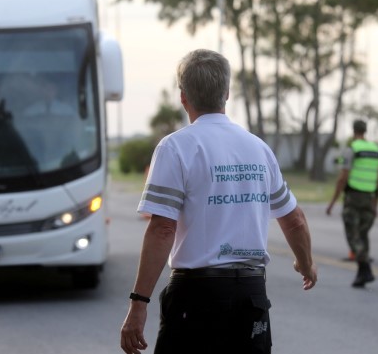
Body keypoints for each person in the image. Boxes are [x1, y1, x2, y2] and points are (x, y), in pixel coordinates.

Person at [120, 49, 317, 354]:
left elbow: (162, 230)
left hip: (195, 296)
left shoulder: (175, 148)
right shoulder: (259, 149)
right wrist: (305, 265)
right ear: (227, 93)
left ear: (183, 97)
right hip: (251, 296)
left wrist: (138, 304)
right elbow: (295, 220)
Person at [326, 119, 378, 288]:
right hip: (369, 197)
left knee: (353, 235)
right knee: (363, 235)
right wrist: (376, 203)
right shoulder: (375, 150)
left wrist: (333, 202)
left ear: (353, 131)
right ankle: (361, 275)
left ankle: (365, 268)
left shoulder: (352, 150)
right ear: (365, 131)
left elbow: (343, 177)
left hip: (354, 197)